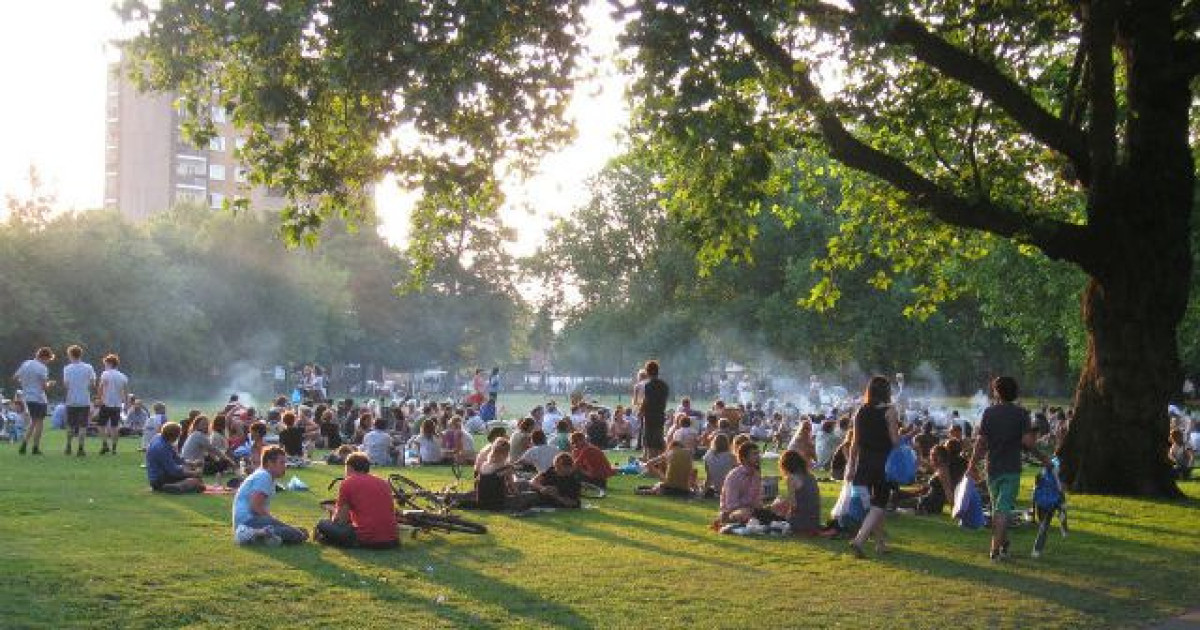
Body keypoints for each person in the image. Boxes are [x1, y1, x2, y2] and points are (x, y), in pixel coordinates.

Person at [968, 376, 1046, 562]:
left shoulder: (988, 413)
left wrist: (971, 463)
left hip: (992, 467)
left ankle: (1003, 545)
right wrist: (1043, 458)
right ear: (1015, 392)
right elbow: (1027, 442)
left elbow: (981, 443)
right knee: (1002, 509)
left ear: (996, 392)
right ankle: (995, 550)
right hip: (1011, 467)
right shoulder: (1021, 414)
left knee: (998, 508)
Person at [847, 376, 900, 559]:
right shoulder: (890, 411)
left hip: (864, 462)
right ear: (887, 392)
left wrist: (850, 466)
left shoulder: (860, 411)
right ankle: (860, 540)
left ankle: (880, 544)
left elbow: (854, 442)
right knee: (879, 504)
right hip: (883, 464)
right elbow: (894, 440)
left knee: (875, 506)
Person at [314, 452, 399, 548]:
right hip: (392, 539)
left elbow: (341, 521)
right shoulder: (383, 483)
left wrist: (333, 512)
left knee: (322, 523)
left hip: (365, 539)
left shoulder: (348, 482)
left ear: (349, 467)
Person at [232, 446, 309, 546]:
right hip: (247, 522)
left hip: (250, 521)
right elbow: (255, 506)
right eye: (281, 462)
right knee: (297, 534)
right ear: (269, 463)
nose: (285, 466)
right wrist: (272, 519)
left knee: (301, 531)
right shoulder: (264, 476)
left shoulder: (265, 475)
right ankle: (254, 535)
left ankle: (263, 536)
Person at [717, 441, 774, 525]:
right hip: (733, 513)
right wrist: (751, 509)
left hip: (752, 511)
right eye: (754, 454)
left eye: (758, 454)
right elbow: (731, 505)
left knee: (781, 504)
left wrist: (765, 508)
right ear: (744, 458)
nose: (758, 457)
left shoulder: (756, 474)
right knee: (743, 513)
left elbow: (757, 500)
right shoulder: (734, 476)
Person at [13, 346, 53, 456]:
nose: (48, 362)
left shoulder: (26, 363)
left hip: (28, 397)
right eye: (49, 359)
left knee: (33, 422)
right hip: (39, 398)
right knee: (39, 423)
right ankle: (35, 447)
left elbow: (15, 377)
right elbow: (44, 387)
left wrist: (25, 383)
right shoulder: (42, 368)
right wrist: (50, 384)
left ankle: (24, 445)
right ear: (45, 357)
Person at [773, 449, 822, 535]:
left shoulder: (791, 478)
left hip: (800, 523)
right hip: (814, 522)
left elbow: (793, 505)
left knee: (776, 508)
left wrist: (781, 508)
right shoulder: (811, 476)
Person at [145, 422, 204, 493]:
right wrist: (193, 473)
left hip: (159, 476)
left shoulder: (160, 438)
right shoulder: (162, 448)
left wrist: (191, 463)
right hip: (160, 478)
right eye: (178, 436)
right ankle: (172, 487)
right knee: (197, 483)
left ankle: (179, 484)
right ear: (173, 436)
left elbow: (176, 458)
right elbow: (173, 471)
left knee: (196, 480)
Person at [61, 345, 96, 457]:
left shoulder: (67, 368)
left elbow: (66, 385)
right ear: (80, 354)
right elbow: (93, 383)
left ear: (70, 355)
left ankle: (68, 446)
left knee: (70, 425)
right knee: (82, 426)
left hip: (71, 400)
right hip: (84, 400)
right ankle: (81, 448)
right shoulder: (88, 367)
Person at [95, 353, 129, 455]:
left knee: (101, 425)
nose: (105, 365)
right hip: (117, 404)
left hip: (106, 403)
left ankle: (105, 444)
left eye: (105, 363)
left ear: (109, 363)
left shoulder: (105, 374)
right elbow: (125, 392)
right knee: (115, 427)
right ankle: (114, 449)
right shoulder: (123, 376)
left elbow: (101, 387)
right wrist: (126, 404)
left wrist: (99, 399)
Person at [639, 360, 669, 459]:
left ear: (647, 371)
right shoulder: (664, 385)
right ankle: (661, 461)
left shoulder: (648, 385)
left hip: (650, 416)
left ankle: (650, 463)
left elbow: (646, 401)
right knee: (659, 439)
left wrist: (640, 411)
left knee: (649, 440)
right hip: (660, 415)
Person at [702, 433, 736, 498]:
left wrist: (704, 490)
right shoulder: (731, 457)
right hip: (728, 487)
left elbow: (709, 476)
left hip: (715, 486)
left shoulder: (708, 455)